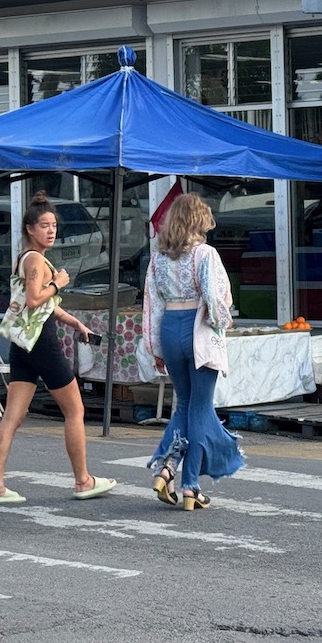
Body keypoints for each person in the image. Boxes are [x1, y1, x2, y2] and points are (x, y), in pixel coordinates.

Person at [0, 191, 116, 504]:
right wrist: (59, 283)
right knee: (75, 410)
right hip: (41, 342)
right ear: (30, 229)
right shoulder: (38, 261)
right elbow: (34, 300)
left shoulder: (23, 259)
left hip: (22, 343)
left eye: (54, 225)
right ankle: (83, 480)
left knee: (13, 416)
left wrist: (76, 323)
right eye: (44, 225)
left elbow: (44, 307)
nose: (51, 231)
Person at [141, 192, 245, 511]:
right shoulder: (205, 253)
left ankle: (167, 468)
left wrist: (155, 346)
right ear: (198, 221)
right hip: (197, 327)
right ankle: (191, 486)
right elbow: (214, 298)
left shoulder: (159, 257)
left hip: (169, 327)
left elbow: (152, 304)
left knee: (184, 405)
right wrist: (221, 321)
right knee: (200, 407)